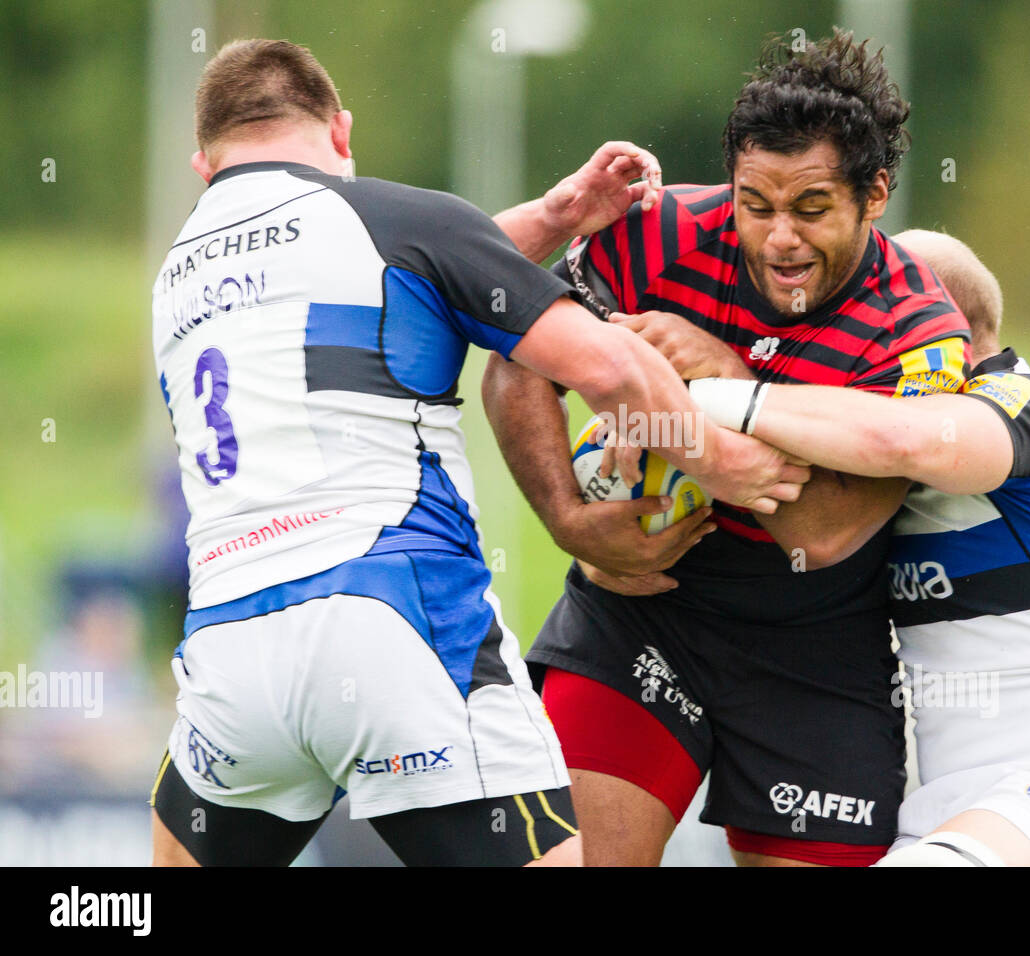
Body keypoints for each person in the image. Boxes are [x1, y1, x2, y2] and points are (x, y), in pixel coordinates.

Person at [148, 38, 806, 867]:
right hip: (395, 626)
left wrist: (555, 218)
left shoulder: (177, 276)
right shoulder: (394, 218)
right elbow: (606, 365)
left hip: (231, 654)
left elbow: (405, 278)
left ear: (205, 167)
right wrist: (726, 463)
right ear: (341, 132)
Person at [484, 30, 970, 866]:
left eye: (811, 209)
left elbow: (824, 531)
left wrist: (722, 381)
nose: (780, 238)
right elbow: (516, 363)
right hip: (639, 611)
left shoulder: (919, 333)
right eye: (756, 205)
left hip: (814, 642)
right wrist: (568, 517)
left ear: (875, 194)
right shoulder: (657, 233)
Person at [687, 229, 1030, 866]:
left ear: (936, 326)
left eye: (866, 321)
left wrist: (712, 387)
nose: (847, 344)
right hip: (948, 812)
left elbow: (910, 441)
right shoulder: (864, 474)